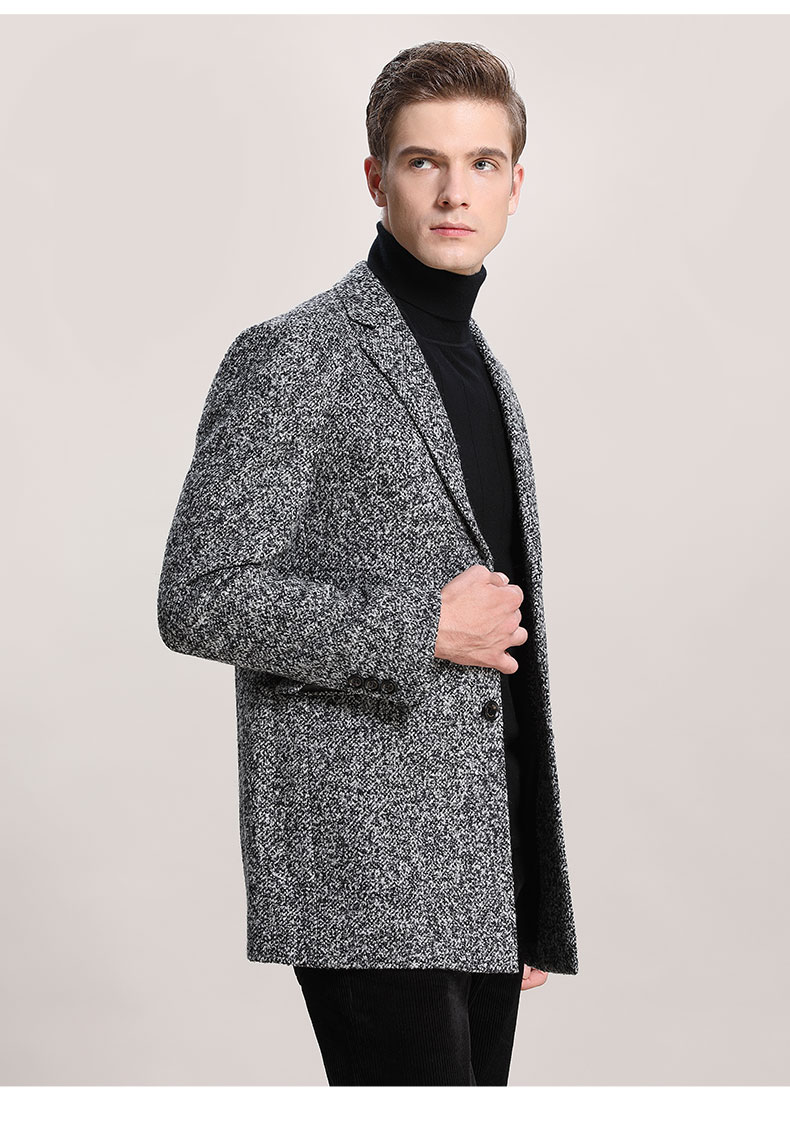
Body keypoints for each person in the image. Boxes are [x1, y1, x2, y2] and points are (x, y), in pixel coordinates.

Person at [157, 40, 578, 1086]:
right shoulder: (295, 353)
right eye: (423, 161)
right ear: (375, 178)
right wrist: (420, 627)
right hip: (364, 869)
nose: (454, 191)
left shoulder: (484, 371)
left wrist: (525, 884)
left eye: (482, 163)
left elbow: (507, 663)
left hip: (479, 869)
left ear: (516, 185)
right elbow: (199, 595)